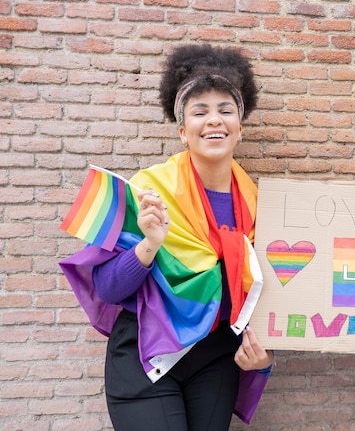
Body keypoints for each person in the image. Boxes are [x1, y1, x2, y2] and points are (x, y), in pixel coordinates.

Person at [60, 44, 274, 431]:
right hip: (148, 353)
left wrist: (266, 356)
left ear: (240, 127)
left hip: (215, 358)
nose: (214, 120)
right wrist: (150, 243)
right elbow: (107, 288)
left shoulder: (261, 207)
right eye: (200, 111)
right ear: (182, 130)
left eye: (226, 110)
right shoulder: (148, 192)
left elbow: (270, 298)